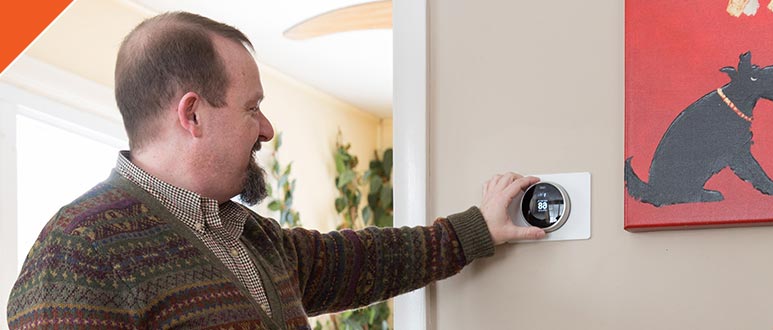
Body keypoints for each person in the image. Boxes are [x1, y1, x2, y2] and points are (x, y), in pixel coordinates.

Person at [6, 12, 545, 329]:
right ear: (192, 114)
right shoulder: (78, 253)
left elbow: (368, 260)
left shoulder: (252, 238)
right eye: (251, 107)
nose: (266, 130)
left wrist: (480, 227)